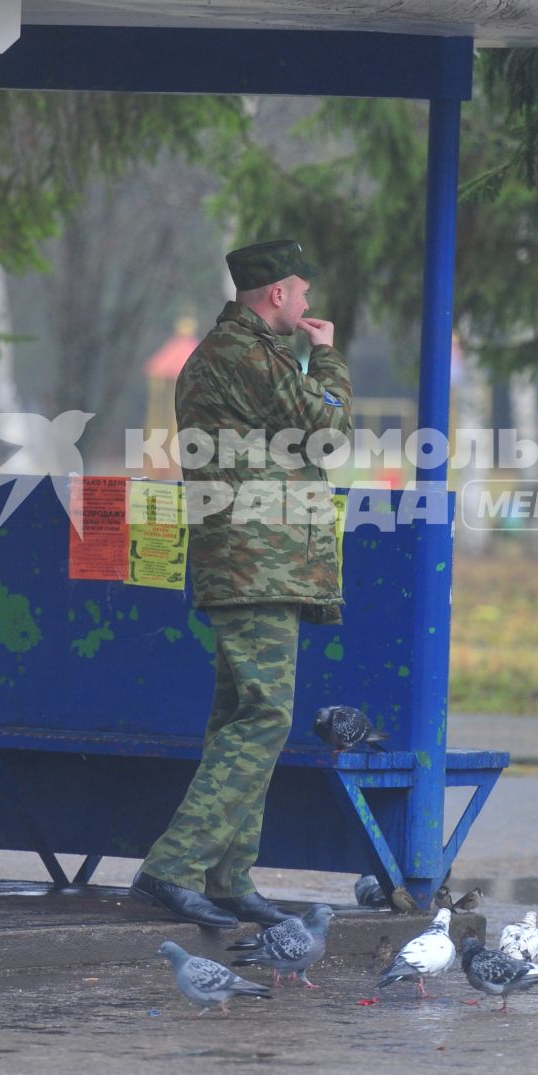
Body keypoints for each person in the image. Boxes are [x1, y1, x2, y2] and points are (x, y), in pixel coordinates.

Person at [130, 239, 353, 929]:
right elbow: (328, 428)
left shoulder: (236, 355)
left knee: (239, 716)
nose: (310, 304)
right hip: (258, 560)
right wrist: (331, 359)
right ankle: (172, 867)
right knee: (264, 718)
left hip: (254, 559)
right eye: (302, 292)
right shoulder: (247, 355)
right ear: (277, 294)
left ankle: (229, 874)